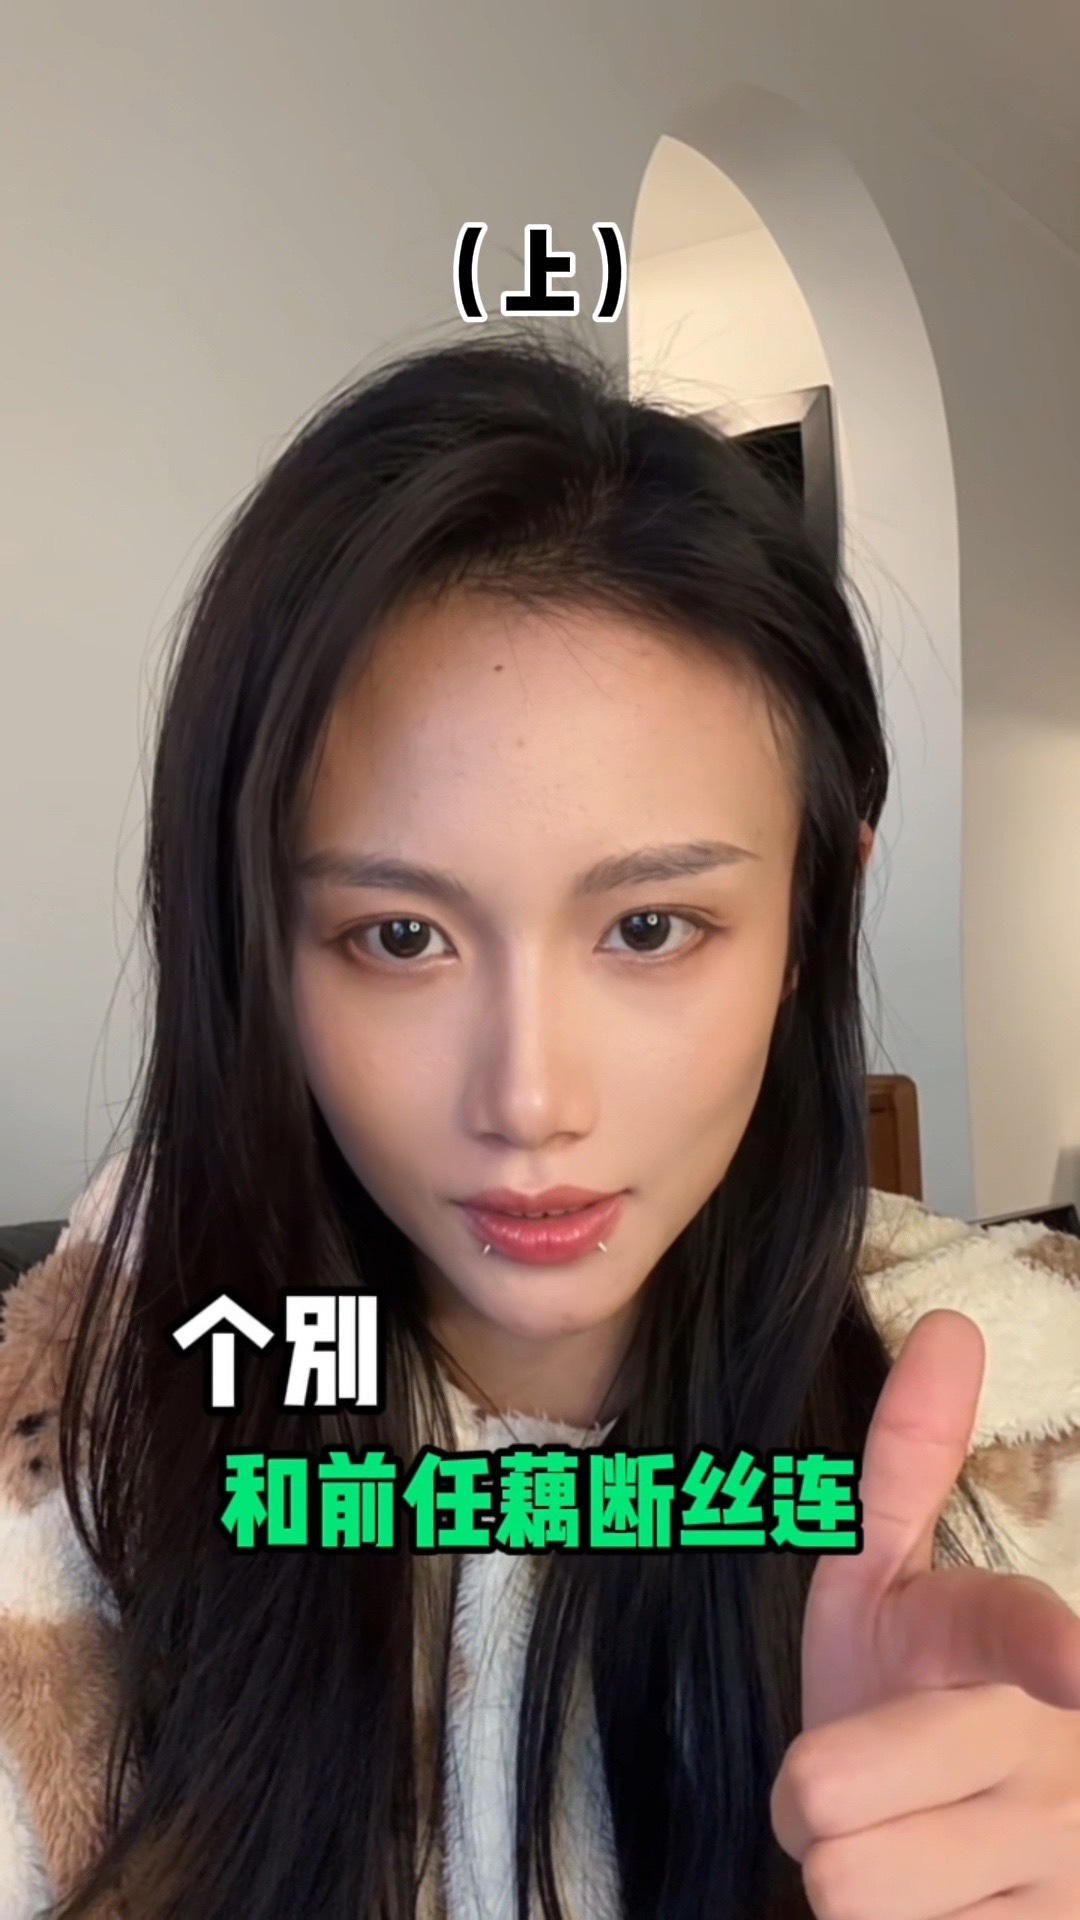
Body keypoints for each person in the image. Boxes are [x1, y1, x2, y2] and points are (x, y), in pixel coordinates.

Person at [3, 332, 1080, 1920]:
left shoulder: (1033, 1442)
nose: (528, 1102)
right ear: (257, 948)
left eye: (649, 928)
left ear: (811, 912)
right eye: (400, 937)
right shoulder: (71, 1489)